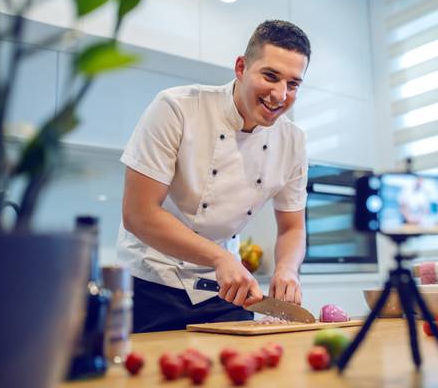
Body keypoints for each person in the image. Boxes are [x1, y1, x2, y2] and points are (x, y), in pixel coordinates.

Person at [117, 20, 311, 332]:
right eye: (270, 76)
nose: (279, 94)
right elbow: (138, 214)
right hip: (150, 282)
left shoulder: (293, 142)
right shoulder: (177, 108)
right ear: (241, 67)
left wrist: (287, 269)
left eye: (293, 84)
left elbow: (292, 228)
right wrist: (220, 258)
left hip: (226, 289)